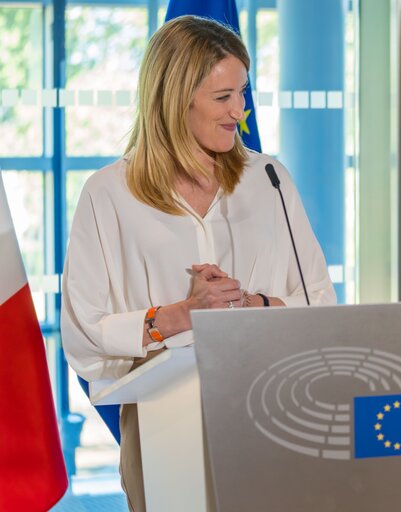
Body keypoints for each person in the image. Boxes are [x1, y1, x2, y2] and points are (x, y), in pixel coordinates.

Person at [61, 15, 336, 512]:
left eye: (243, 92)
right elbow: (84, 329)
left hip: (270, 411)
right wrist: (179, 316)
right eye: (223, 96)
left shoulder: (269, 177)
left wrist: (250, 303)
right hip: (163, 422)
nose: (240, 110)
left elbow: (319, 299)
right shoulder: (108, 195)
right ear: (175, 97)